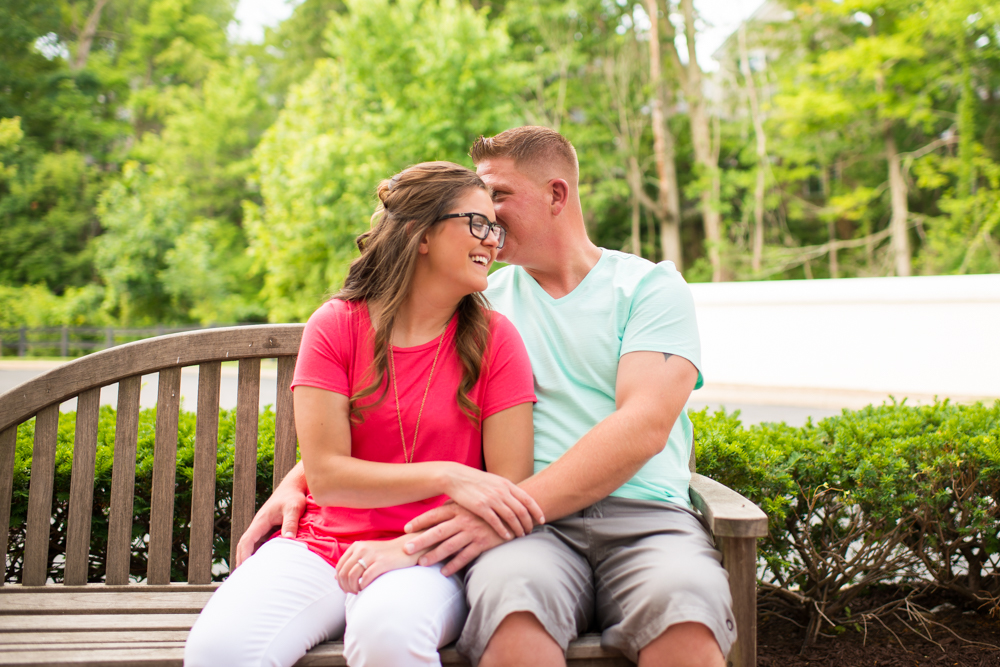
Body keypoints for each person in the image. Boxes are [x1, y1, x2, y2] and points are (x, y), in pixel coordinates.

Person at [237, 127, 735, 667]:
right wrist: (304, 477)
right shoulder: (476, 301)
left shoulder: (649, 289)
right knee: (512, 618)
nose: (487, 219)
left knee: (685, 618)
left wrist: (494, 514)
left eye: (498, 196)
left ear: (556, 195)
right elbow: (389, 401)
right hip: (526, 531)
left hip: (641, 517)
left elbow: (641, 425)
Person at [185, 161, 542, 667]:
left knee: (388, 636)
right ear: (421, 234)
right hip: (317, 545)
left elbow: (507, 485)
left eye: (496, 229)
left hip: (428, 554)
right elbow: (327, 478)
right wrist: (449, 475)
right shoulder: (335, 326)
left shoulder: (496, 339)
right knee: (218, 650)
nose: (493, 242)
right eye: (479, 224)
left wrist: (415, 547)